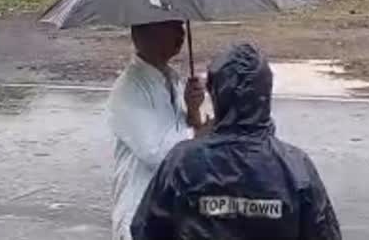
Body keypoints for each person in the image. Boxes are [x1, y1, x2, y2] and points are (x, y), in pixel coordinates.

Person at [131, 43, 341, 240]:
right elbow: (324, 233)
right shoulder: (295, 167)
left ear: (216, 94)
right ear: (265, 95)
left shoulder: (182, 162)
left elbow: (145, 229)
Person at [109, 20, 206, 240]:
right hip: (140, 212)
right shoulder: (129, 89)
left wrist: (193, 111)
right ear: (145, 35)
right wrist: (199, 136)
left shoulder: (172, 80)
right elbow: (157, 153)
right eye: (172, 26)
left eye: (180, 25)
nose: (181, 32)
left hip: (171, 207)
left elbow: (182, 130)